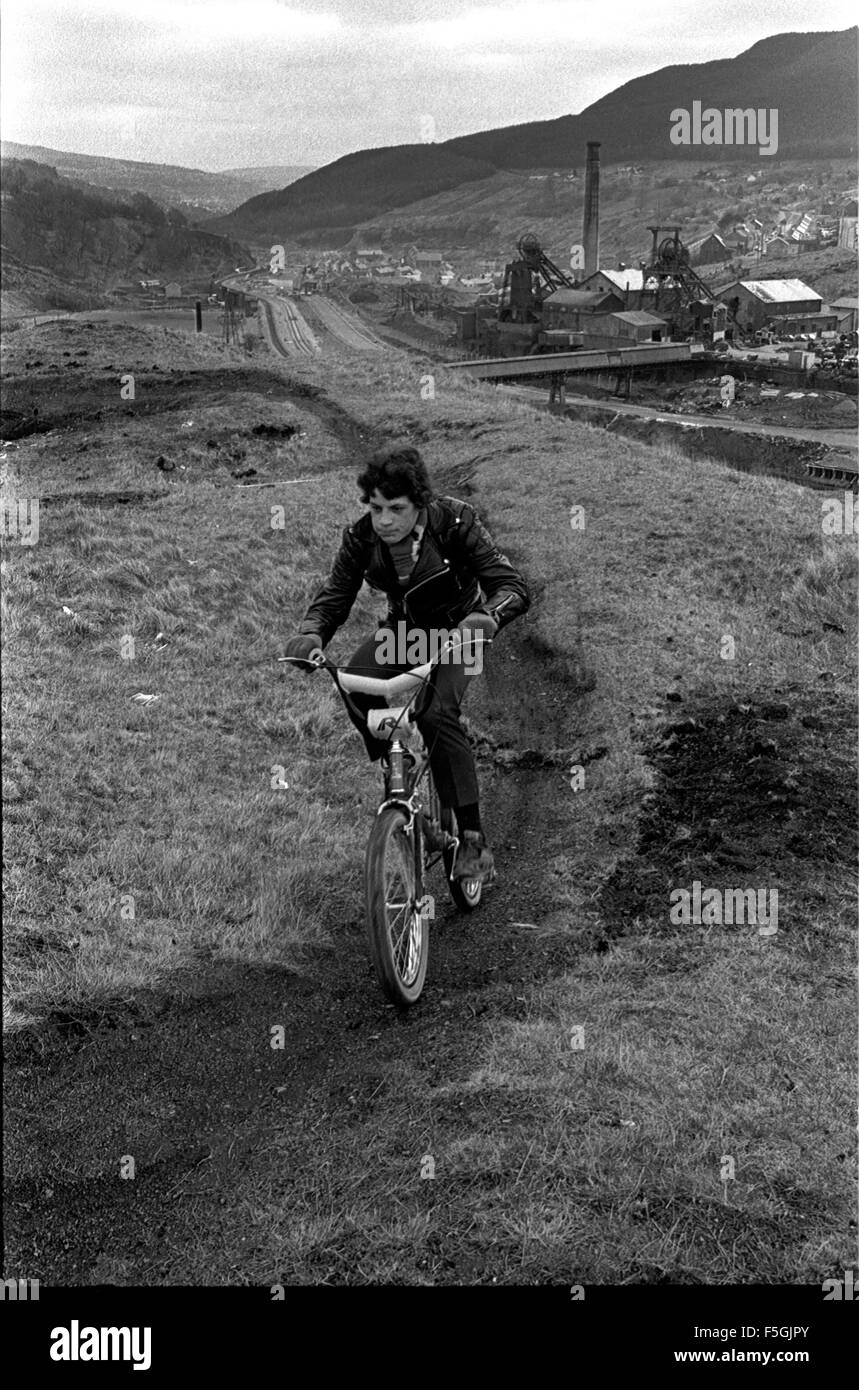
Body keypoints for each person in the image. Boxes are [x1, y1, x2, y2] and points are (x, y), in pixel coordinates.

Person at [283, 444, 530, 881]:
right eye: (376, 508)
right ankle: (399, 765)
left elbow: (511, 585)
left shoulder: (456, 521)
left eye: (396, 509)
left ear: (420, 503)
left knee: (435, 714)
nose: (384, 521)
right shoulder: (362, 537)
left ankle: (473, 840)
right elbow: (336, 595)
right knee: (353, 681)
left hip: (460, 632)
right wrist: (311, 633)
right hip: (406, 633)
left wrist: (486, 617)